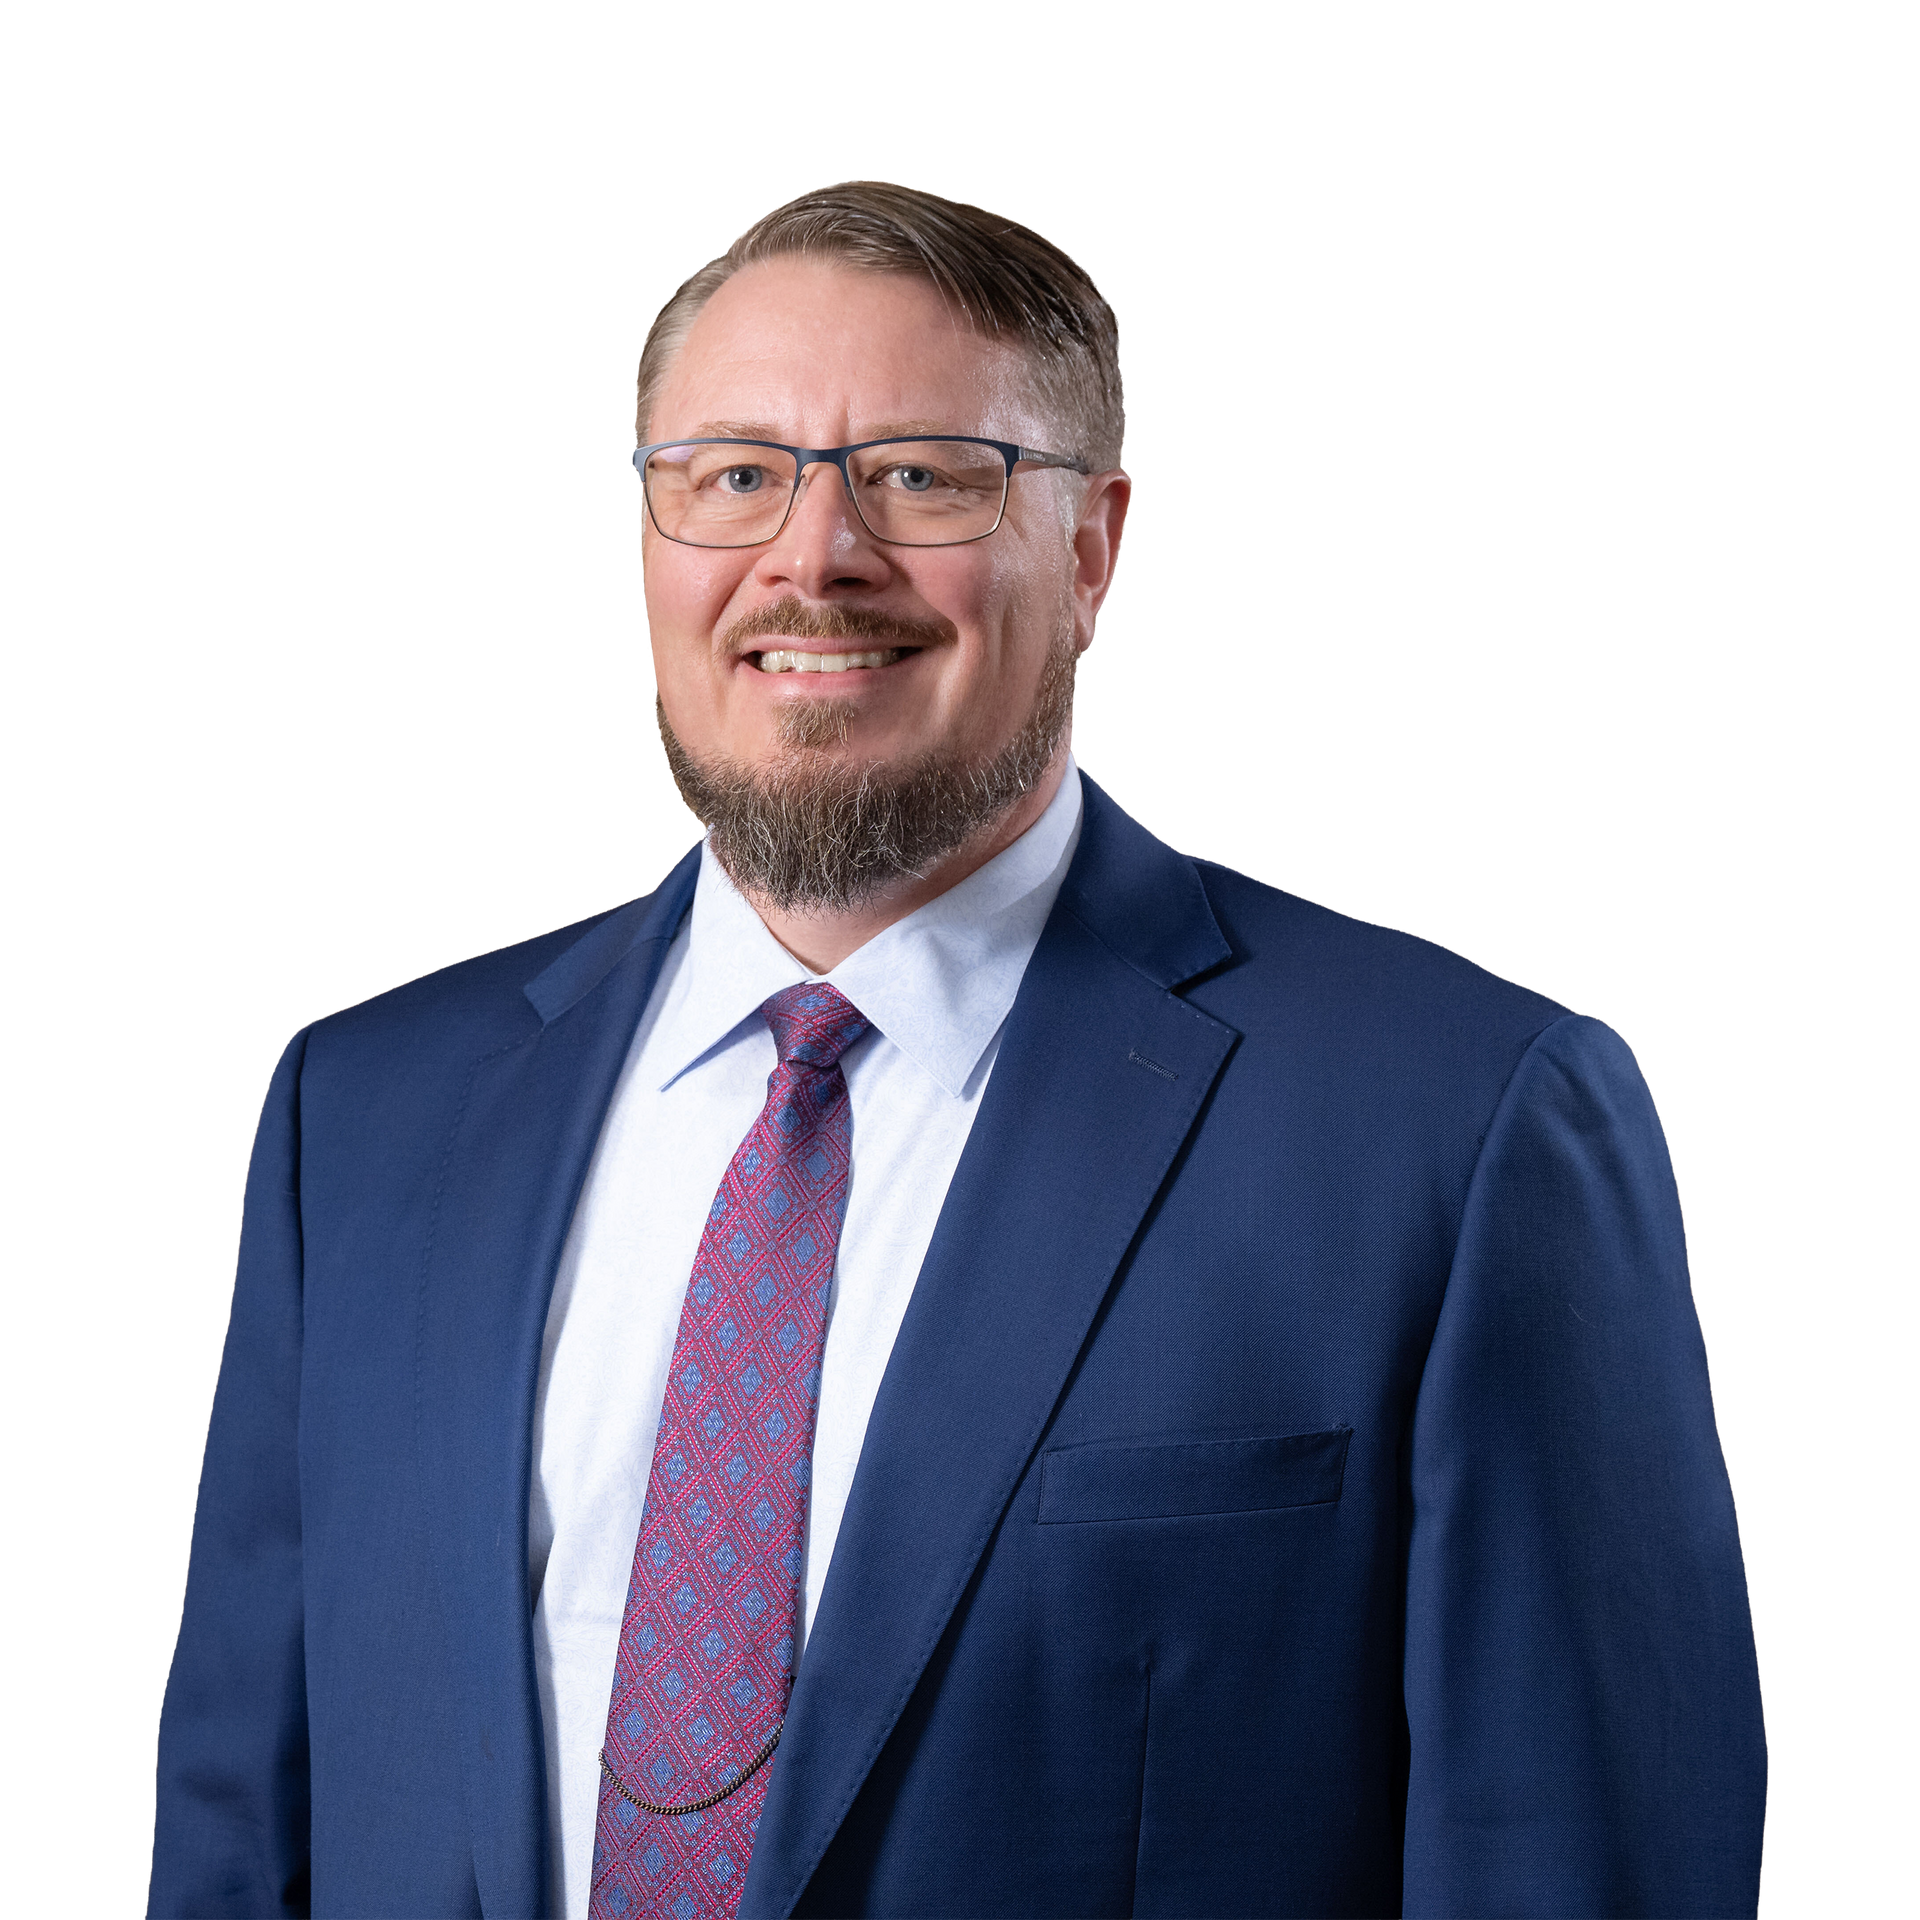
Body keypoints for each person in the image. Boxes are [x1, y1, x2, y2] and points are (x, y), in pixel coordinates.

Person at [150, 179, 1767, 1919]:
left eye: (921, 474)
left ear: (1093, 548)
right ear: (647, 537)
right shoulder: (365, 1115)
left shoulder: (1463, 1124)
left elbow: (1584, 1870)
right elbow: (246, 1841)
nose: (813, 554)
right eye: (734, 475)